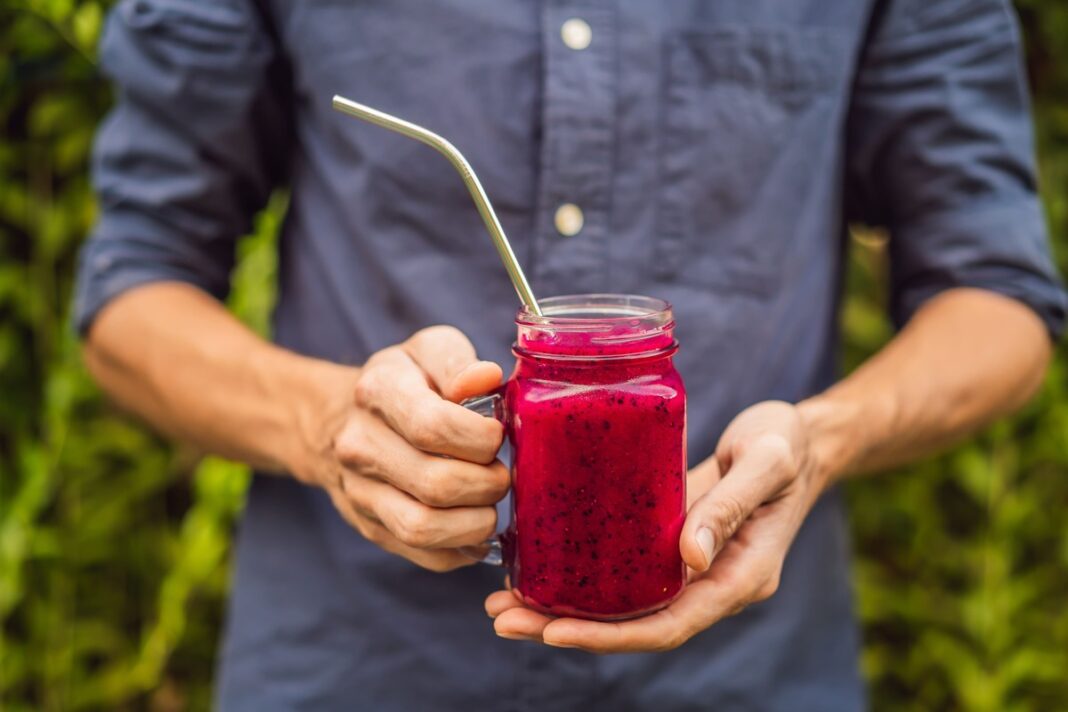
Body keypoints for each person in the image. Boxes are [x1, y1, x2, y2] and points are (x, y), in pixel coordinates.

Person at [76, 0, 1065, 709]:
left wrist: (821, 437)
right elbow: (132, 286)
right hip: (357, 660)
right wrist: (329, 424)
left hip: (754, 674)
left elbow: (1001, 298)